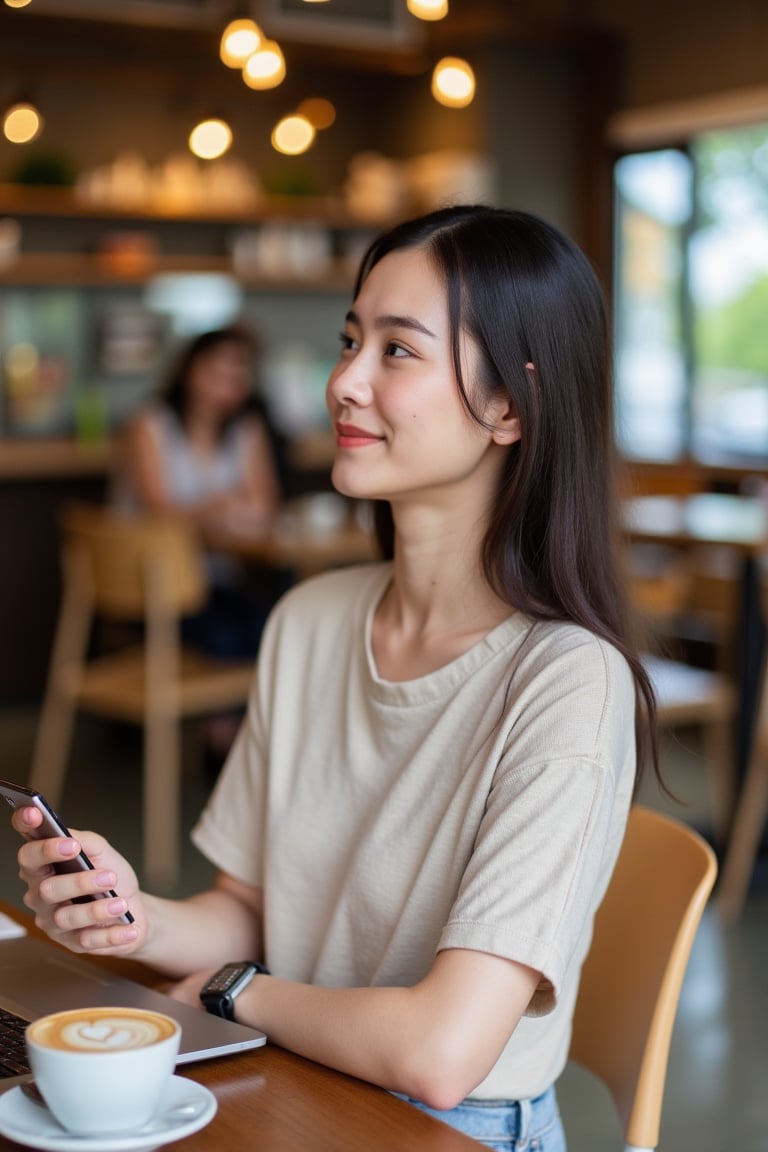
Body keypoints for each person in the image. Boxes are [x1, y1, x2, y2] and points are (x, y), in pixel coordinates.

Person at [13, 205, 659, 1152]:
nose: (343, 383)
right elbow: (249, 906)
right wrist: (129, 919)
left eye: (398, 351)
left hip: (450, 1125)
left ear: (512, 406)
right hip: (291, 1072)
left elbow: (442, 1052)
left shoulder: (567, 684)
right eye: (350, 340)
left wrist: (236, 991)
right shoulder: (312, 621)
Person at [112, 323, 284, 662]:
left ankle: (231, 714)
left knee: (272, 627)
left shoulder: (245, 430)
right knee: (233, 637)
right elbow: (157, 511)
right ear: (189, 369)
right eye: (215, 372)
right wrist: (219, 508)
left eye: (236, 376)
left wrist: (214, 511)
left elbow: (266, 506)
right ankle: (222, 715)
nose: (224, 386)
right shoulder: (149, 426)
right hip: (151, 583)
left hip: (212, 581)